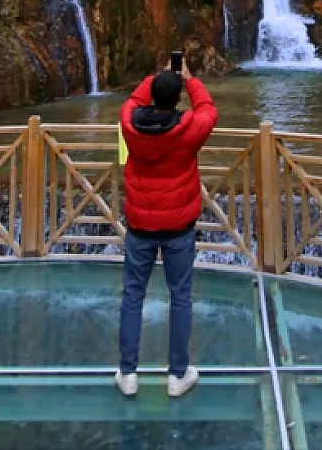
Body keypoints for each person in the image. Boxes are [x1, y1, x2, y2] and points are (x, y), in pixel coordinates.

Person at [114, 57, 217, 399]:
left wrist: (156, 74)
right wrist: (188, 78)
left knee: (132, 295)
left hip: (140, 224)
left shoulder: (129, 123)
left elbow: (132, 101)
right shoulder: (188, 130)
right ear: (178, 99)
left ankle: (128, 374)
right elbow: (208, 110)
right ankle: (177, 374)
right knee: (181, 296)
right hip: (178, 227)